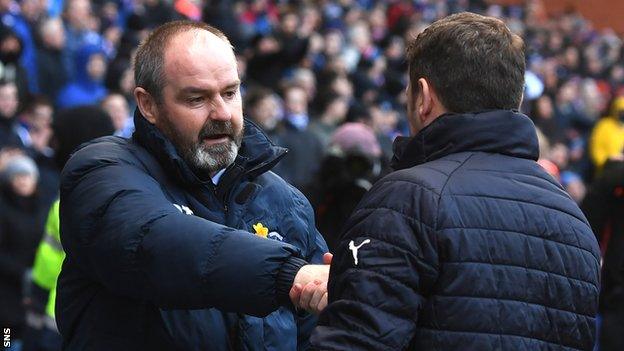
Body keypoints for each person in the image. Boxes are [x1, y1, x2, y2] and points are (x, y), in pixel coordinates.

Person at [310, 12, 600, 351]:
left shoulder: (407, 199)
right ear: (516, 100)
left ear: (423, 97)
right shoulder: (575, 221)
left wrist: (350, 295)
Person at [56, 20, 329, 351]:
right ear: (148, 104)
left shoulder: (286, 203)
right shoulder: (102, 170)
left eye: (230, 92)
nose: (222, 113)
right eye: (197, 98)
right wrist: (285, 273)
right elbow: (151, 240)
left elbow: (320, 334)